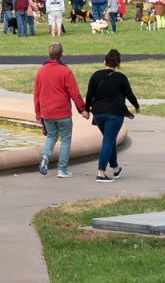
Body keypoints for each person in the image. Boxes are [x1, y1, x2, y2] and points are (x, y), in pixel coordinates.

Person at [84, 48, 140, 181]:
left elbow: (89, 95)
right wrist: (137, 106)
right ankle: (100, 173)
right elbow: (129, 95)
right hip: (114, 115)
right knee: (108, 141)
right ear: (117, 63)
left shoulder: (96, 75)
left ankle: (115, 168)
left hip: (98, 114)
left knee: (110, 140)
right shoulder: (121, 78)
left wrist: (86, 110)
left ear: (105, 62)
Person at [32, 43, 86, 177]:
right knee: (66, 139)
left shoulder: (41, 71)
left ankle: (45, 157)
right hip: (62, 112)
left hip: (47, 112)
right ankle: (62, 169)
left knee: (51, 136)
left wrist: (38, 114)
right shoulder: (65, 71)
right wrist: (82, 109)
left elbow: (36, 94)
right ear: (62, 54)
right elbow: (74, 93)